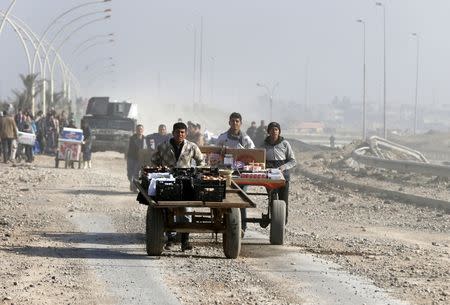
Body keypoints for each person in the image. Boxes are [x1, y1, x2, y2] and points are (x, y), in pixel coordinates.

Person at [151, 122, 205, 251]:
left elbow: (201, 161)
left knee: (186, 210)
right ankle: (170, 240)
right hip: (168, 183)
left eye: (182, 132)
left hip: (187, 183)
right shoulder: (163, 146)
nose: (179, 135)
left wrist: (195, 170)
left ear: (186, 134)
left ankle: (185, 240)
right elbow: (154, 160)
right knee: (169, 210)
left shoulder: (192, 147)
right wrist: (159, 169)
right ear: (173, 132)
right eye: (177, 132)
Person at [216, 112, 254, 234]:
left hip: (241, 173)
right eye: (233, 121)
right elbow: (214, 154)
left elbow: (254, 154)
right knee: (223, 197)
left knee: (242, 197)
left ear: (241, 123)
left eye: (237, 121)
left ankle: (242, 227)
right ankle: (223, 223)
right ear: (229, 122)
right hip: (225, 173)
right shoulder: (222, 138)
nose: (235, 123)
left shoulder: (246, 139)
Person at [262, 122, 297, 223]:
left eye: (276, 129)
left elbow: (293, 160)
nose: (274, 132)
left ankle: (283, 223)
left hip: (283, 176)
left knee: (283, 200)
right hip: (269, 176)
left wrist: (284, 166)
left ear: (279, 131)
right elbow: (259, 159)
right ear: (268, 131)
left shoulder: (285, 144)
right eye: (272, 129)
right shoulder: (263, 145)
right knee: (272, 199)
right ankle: (274, 221)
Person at [127, 124, 147, 191]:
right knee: (130, 173)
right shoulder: (132, 138)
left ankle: (134, 187)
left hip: (139, 159)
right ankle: (131, 183)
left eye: (141, 129)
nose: (139, 130)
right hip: (131, 157)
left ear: (143, 130)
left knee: (136, 173)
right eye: (138, 129)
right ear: (136, 130)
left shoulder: (145, 139)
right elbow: (130, 148)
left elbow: (146, 149)